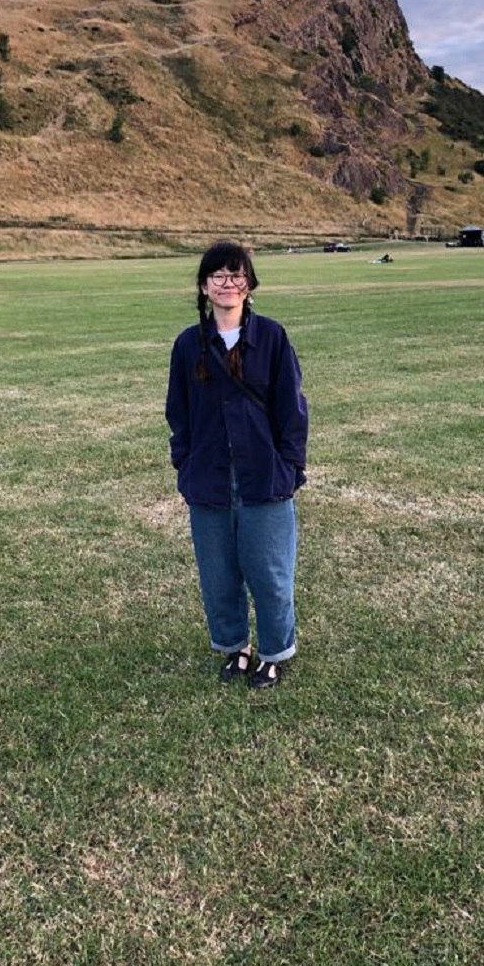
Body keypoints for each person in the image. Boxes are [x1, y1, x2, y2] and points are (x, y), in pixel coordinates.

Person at [166, 241, 309, 689]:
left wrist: (289, 466)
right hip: (208, 479)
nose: (228, 284)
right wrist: (184, 465)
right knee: (219, 574)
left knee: (269, 572)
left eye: (237, 275)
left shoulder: (271, 337)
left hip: (264, 476)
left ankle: (272, 652)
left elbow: (292, 409)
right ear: (204, 286)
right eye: (218, 276)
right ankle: (236, 647)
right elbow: (179, 413)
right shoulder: (189, 345)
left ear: (250, 283)